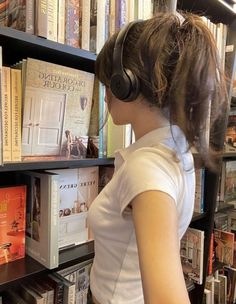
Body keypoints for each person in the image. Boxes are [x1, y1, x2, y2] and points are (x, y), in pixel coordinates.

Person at [87, 11, 227, 304]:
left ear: (126, 84)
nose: (105, 95)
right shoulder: (175, 151)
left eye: (107, 84)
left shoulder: (147, 168)